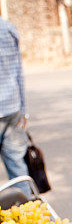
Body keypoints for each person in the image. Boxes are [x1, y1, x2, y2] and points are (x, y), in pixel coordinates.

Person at [0, 17, 31, 197]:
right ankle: (28, 217)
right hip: (12, 108)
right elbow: (19, 71)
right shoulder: (9, 28)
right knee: (18, 169)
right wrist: (24, 109)